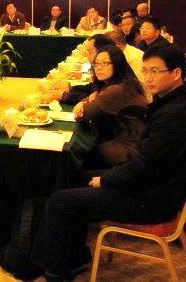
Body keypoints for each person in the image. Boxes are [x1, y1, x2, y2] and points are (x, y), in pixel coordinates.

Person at [42, 44, 186, 282]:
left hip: (152, 200)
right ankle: (74, 257)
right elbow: (146, 161)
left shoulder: (174, 114)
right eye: (145, 71)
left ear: (177, 73)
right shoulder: (170, 102)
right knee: (74, 177)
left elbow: (146, 165)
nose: (148, 78)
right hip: (151, 186)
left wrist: (107, 179)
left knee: (60, 201)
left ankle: (56, 273)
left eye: (155, 71)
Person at [73, 45, 147, 167]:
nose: (99, 67)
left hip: (126, 153)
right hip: (129, 146)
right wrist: (86, 100)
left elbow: (81, 115)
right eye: (96, 64)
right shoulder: (124, 83)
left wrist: (86, 102)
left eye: (105, 63)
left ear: (117, 64)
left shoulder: (117, 90)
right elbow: (93, 98)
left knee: (77, 155)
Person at [41, 34, 115, 105]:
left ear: (102, 52)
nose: (87, 56)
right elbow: (92, 88)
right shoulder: (100, 69)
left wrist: (64, 96)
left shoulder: (110, 71)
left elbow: (96, 99)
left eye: (89, 52)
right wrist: (70, 88)